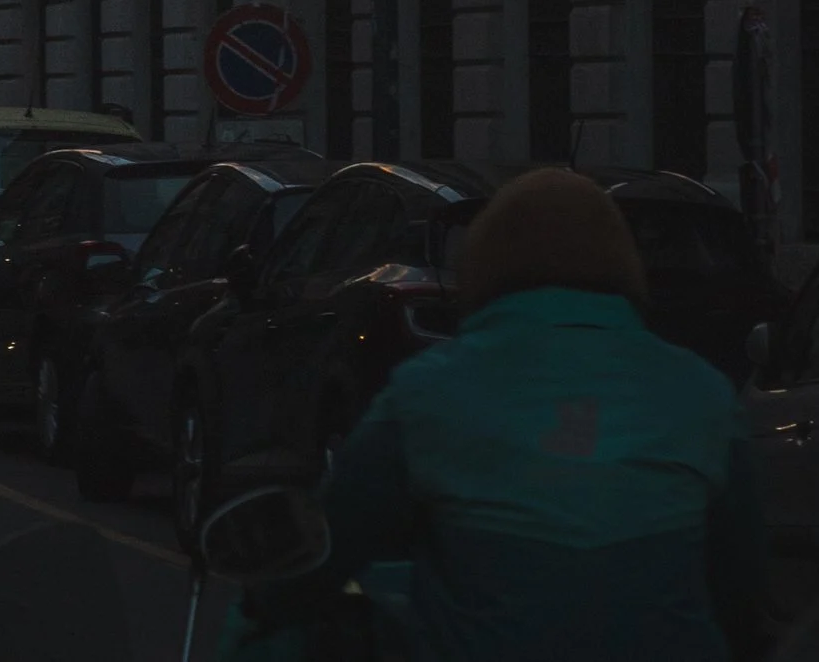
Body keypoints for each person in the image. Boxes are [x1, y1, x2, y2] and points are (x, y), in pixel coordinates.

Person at [222, 168, 767, 661]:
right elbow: (739, 589)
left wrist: (262, 610)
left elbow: (329, 554)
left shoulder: (428, 395)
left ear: (484, 264)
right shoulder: (702, 395)